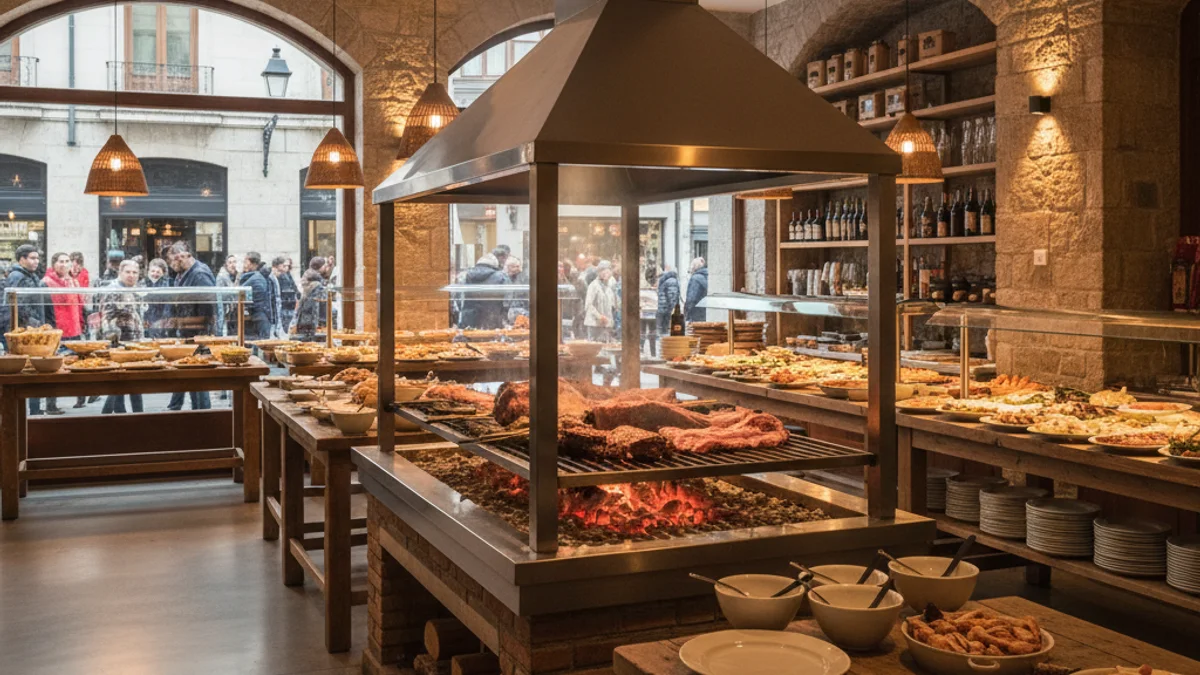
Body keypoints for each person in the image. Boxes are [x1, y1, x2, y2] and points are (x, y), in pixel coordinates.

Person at [2, 245, 55, 415]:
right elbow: (20, 306)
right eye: (32, 258)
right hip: (23, 332)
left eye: (37, 258)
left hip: (29, 329)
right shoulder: (18, 276)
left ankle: (32, 407)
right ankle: (29, 409)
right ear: (22, 259)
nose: (36, 261)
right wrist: (35, 326)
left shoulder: (30, 276)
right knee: (29, 368)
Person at [166, 242, 215, 411]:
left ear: (181, 256)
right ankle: (181, 408)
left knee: (198, 379)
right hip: (189, 333)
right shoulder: (184, 274)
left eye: (172, 261)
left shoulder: (199, 274)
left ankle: (202, 414)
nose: (171, 265)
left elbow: (208, 309)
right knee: (189, 374)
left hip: (198, 335)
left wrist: (199, 332)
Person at [100, 261, 146, 414]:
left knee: (134, 381)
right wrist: (113, 341)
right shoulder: (113, 289)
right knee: (123, 382)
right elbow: (106, 318)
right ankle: (120, 414)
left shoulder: (135, 289)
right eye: (128, 272)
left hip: (135, 341)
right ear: (120, 272)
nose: (132, 275)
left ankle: (132, 414)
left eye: (135, 272)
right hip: (120, 342)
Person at [43, 252, 86, 412]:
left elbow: (79, 305)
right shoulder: (47, 282)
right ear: (54, 264)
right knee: (54, 368)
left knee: (78, 363)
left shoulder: (73, 282)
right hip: (57, 330)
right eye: (60, 261)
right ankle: (51, 404)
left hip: (74, 328)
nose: (64, 264)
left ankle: (81, 396)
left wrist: (82, 323)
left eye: (67, 261)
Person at [459, 253, 507, 329]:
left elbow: (462, 297)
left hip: (470, 318)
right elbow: (506, 299)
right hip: (492, 318)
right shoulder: (500, 276)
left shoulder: (468, 275)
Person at [238, 252, 273, 341]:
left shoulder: (256, 278)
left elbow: (240, 295)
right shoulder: (257, 276)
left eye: (245, 262)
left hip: (258, 316)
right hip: (261, 315)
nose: (244, 265)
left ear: (252, 264)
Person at [294, 257, 328, 340]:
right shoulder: (317, 285)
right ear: (320, 267)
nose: (325, 267)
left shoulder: (307, 280)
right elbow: (321, 304)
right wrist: (323, 323)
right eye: (324, 265)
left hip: (303, 319)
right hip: (313, 321)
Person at [584, 260, 617, 342]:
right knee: (594, 349)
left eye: (608, 272)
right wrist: (599, 316)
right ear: (599, 272)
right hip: (594, 324)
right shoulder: (593, 286)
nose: (606, 274)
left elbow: (613, 305)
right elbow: (588, 305)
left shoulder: (609, 287)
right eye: (603, 271)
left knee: (606, 350)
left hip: (606, 326)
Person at [141, 258, 171, 338]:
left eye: (158, 272)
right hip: (148, 321)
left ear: (163, 273)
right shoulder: (143, 283)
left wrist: (162, 321)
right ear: (148, 272)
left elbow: (167, 307)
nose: (155, 274)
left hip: (159, 321)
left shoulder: (165, 285)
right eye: (152, 271)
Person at [502, 257, 529, 325]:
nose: (515, 269)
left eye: (517, 266)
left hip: (521, 310)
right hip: (507, 310)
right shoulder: (503, 277)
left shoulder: (524, 277)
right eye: (513, 266)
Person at [216, 254, 239, 337]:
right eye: (230, 262)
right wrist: (238, 278)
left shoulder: (228, 274)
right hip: (221, 306)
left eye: (234, 262)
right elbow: (233, 290)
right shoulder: (223, 275)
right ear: (226, 265)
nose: (233, 265)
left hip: (225, 306)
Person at [276, 256, 299, 337]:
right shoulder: (282, 276)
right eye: (285, 266)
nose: (287, 268)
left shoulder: (287, 275)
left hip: (289, 304)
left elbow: (294, 288)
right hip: (285, 304)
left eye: (288, 266)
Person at [655, 264, 681, 335]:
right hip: (667, 310)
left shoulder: (665, 280)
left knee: (661, 330)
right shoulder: (672, 281)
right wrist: (674, 309)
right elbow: (672, 297)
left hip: (662, 309)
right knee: (665, 330)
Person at [684, 257, 709, 323]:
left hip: (695, 314)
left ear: (694, 268)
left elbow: (691, 299)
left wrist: (687, 312)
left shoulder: (695, 279)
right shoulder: (708, 276)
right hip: (705, 313)